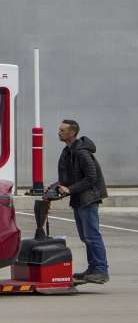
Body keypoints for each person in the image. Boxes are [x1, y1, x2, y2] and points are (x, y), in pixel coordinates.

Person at [54, 119, 109, 283]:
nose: (59, 132)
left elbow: (91, 177)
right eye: (59, 129)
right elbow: (68, 177)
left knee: (92, 236)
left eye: (62, 130)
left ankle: (100, 270)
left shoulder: (82, 152)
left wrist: (69, 189)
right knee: (86, 237)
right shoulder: (68, 151)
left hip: (88, 199)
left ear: (72, 133)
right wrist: (57, 186)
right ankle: (93, 269)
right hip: (79, 199)